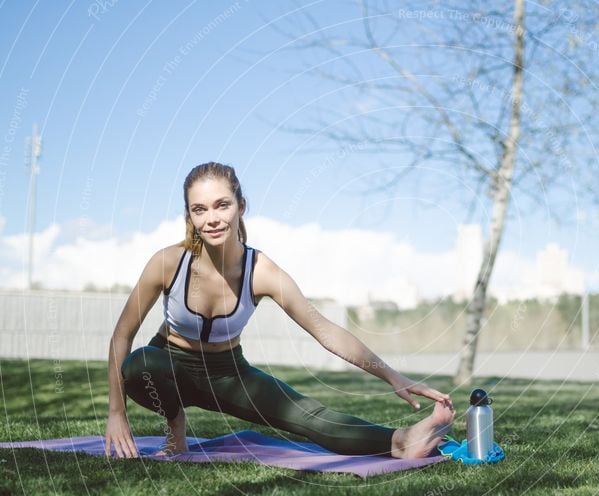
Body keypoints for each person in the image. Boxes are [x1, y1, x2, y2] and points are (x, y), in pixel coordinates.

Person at [105, 161, 455, 460]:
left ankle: (402, 441)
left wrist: (393, 376)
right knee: (140, 364)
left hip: (228, 375)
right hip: (167, 371)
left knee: (309, 416)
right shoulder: (168, 262)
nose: (211, 218)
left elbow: (325, 330)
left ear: (241, 206)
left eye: (221, 205)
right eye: (200, 209)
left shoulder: (262, 271)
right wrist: (116, 413)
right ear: (190, 216)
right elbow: (122, 334)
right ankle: (175, 428)